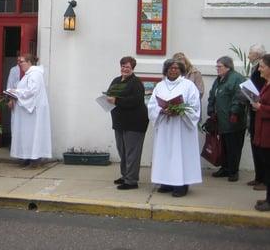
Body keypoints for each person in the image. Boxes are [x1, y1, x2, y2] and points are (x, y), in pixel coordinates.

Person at [147, 59, 202, 197]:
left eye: (177, 68)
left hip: (182, 127)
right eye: (171, 68)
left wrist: (180, 110)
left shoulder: (188, 85)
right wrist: (161, 110)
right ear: (166, 70)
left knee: (180, 154)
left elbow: (195, 106)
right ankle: (166, 181)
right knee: (165, 153)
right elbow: (152, 105)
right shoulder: (160, 86)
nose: (173, 70)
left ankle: (182, 185)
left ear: (181, 70)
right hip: (165, 126)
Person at [106, 56, 148, 190]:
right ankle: (125, 176)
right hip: (119, 122)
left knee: (132, 153)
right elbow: (110, 94)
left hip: (134, 123)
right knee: (122, 151)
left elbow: (135, 101)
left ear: (132, 68)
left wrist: (116, 101)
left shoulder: (136, 83)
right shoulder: (117, 80)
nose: (124, 69)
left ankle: (131, 181)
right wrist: (108, 98)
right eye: (123, 66)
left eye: (127, 67)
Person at [7, 54, 52, 168]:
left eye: (22, 61)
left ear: (29, 62)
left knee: (33, 134)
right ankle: (27, 156)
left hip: (33, 111)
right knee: (28, 134)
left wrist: (16, 92)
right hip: (29, 112)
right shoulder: (29, 74)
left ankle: (34, 159)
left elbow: (32, 91)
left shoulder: (35, 74)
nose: (20, 64)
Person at [207, 56, 247, 182]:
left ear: (228, 67)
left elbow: (240, 97)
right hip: (222, 122)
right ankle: (225, 168)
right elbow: (212, 95)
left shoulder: (238, 79)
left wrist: (234, 113)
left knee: (233, 147)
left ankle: (233, 171)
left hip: (234, 121)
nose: (217, 69)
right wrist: (211, 111)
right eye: (217, 66)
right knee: (223, 147)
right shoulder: (219, 79)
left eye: (220, 66)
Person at [246, 44, 266, 190]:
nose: (248, 56)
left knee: (261, 148)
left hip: (261, 111)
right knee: (255, 144)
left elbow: (261, 90)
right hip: (254, 111)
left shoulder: (263, 70)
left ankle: (264, 179)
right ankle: (259, 176)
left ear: (258, 55)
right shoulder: (255, 68)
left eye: (250, 53)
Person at [252, 54, 270, 211]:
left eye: (262, 66)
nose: (259, 69)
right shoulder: (266, 84)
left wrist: (260, 108)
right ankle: (267, 199)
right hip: (262, 131)